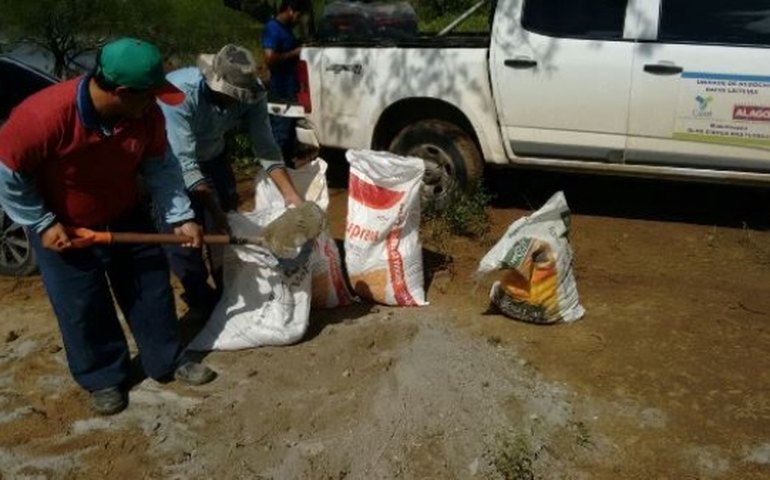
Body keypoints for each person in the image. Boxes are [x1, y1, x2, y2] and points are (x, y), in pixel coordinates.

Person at [0, 38, 216, 416]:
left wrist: (181, 217)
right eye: (149, 95)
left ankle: (167, 359)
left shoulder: (145, 115)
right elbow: (8, 177)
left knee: (151, 289)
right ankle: (103, 378)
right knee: (83, 306)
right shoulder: (42, 117)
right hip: (64, 229)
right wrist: (43, 222)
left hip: (126, 214)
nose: (155, 103)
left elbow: (162, 167)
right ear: (122, 92)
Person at [160, 43, 304, 318]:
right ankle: (199, 297)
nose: (235, 101)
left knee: (223, 236)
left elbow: (266, 147)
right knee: (183, 237)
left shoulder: (252, 94)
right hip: (170, 166)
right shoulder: (179, 95)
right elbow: (185, 164)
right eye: (230, 96)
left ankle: (228, 291)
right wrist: (215, 212)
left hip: (214, 158)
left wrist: (291, 195)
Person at [262, 0, 308, 164]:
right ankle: (276, 166)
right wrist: (294, 53)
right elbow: (269, 58)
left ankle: (287, 165)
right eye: (298, 15)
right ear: (290, 10)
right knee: (281, 129)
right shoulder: (272, 28)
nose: (299, 19)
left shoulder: (286, 29)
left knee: (290, 130)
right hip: (281, 88)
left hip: (292, 86)